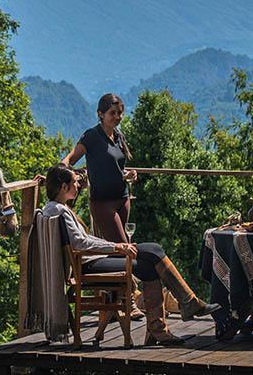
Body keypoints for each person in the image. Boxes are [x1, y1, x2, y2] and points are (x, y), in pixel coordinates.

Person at [42, 164, 219, 345]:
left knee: (152, 256)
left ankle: (166, 323)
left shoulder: (53, 209)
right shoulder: (59, 210)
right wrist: (117, 247)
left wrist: (118, 246)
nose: (78, 185)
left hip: (88, 260)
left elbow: (81, 240)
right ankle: (179, 311)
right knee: (153, 255)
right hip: (87, 264)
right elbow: (81, 243)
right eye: (74, 182)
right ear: (64, 187)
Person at [61, 93, 137, 243]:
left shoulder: (118, 136)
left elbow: (113, 167)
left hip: (123, 199)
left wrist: (126, 174)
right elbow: (70, 159)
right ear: (100, 114)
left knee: (119, 249)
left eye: (120, 113)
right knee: (122, 249)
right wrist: (56, 176)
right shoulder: (92, 136)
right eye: (112, 113)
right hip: (102, 203)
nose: (117, 117)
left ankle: (121, 267)